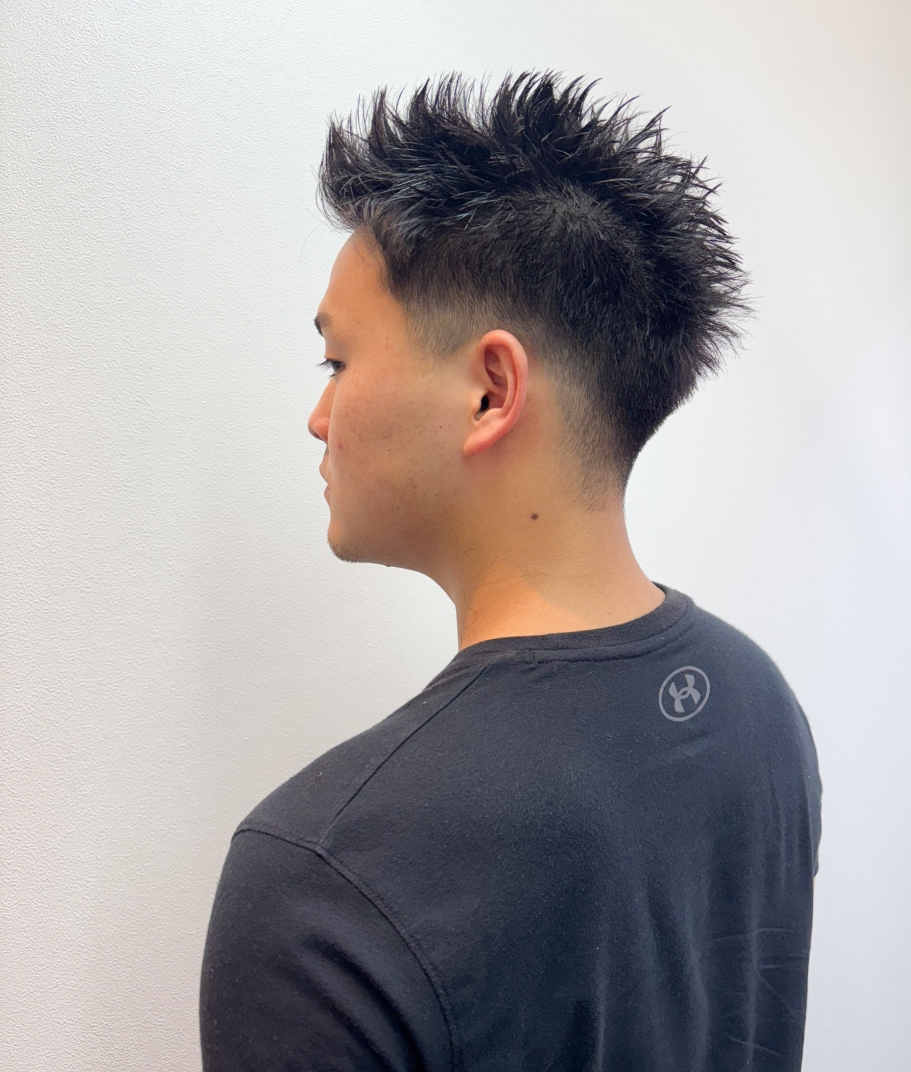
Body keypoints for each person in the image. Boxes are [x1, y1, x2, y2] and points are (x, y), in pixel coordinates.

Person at [199, 72, 821, 1071]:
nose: (319, 418)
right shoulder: (753, 701)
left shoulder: (322, 883)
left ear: (491, 391)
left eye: (337, 364)